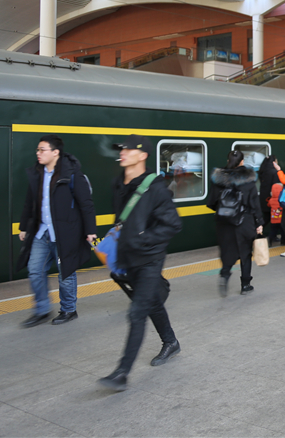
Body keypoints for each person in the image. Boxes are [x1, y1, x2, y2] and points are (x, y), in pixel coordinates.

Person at [99, 135, 182, 391]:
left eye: (127, 149)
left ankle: (122, 373)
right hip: (127, 258)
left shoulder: (156, 188)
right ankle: (171, 342)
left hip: (149, 259)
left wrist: (142, 238)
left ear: (143, 155)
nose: (122, 153)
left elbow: (173, 224)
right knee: (152, 303)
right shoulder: (118, 184)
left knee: (137, 312)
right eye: (120, 149)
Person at [17, 135, 97, 327]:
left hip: (65, 233)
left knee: (66, 273)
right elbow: (30, 203)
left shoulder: (71, 175)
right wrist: (23, 227)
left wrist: (90, 231)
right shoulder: (37, 174)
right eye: (37, 150)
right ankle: (42, 310)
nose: (38, 153)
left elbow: (86, 204)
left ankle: (69, 310)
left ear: (55, 152)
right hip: (41, 232)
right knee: (35, 271)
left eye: (42, 150)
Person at [208, 150, 263, 296]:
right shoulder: (248, 179)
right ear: (242, 162)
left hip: (224, 223)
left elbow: (212, 202)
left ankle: (225, 274)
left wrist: (225, 211)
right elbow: (255, 204)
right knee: (245, 253)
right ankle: (245, 285)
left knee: (228, 251)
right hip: (244, 222)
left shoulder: (219, 179)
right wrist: (260, 222)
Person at [258, 155, 280, 245]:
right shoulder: (274, 172)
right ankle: (272, 236)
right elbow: (276, 187)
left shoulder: (262, 171)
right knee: (274, 218)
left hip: (263, 199)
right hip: (271, 199)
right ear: (274, 162)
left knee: (267, 217)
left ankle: (270, 234)